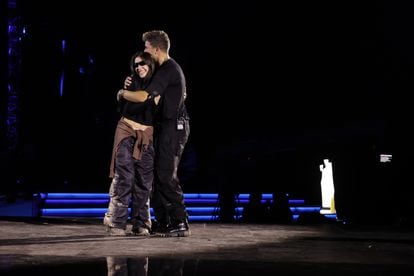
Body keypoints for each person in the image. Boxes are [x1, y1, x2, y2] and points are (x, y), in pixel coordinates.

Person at [119, 30, 191, 237]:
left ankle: (180, 221)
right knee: (158, 175)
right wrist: (129, 84)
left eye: (147, 48)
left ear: (156, 49)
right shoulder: (163, 70)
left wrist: (122, 93)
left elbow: (143, 97)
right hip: (165, 127)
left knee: (166, 174)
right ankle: (165, 220)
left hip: (174, 128)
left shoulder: (169, 69)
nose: (145, 51)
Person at [103, 51, 159, 236]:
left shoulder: (157, 84)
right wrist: (122, 93)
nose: (139, 67)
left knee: (144, 181)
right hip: (126, 130)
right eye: (136, 64)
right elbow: (128, 107)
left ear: (150, 65)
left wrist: (123, 94)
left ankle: (141, 223)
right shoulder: (131, 82)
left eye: (143, 63)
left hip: (146, 135)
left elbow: (145, 102)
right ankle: (116, 222)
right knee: (124, 177)